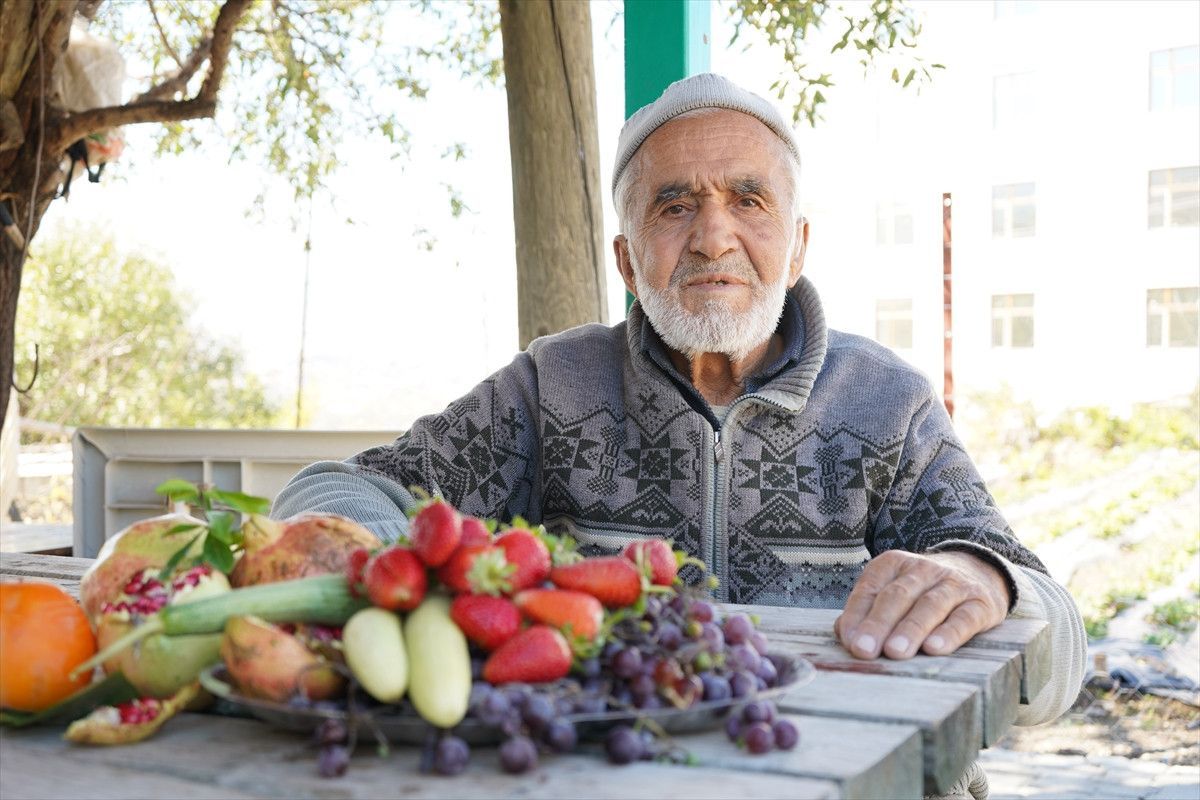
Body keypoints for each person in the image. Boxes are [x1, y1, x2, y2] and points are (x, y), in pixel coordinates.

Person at [274, 73, 1085, 734]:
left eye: (749, 199)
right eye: (674, 206)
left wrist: (982, 578)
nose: (712, 236)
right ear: (628, 262)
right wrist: (403, 587)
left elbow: (1057, 661)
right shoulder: (552, 386)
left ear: (798, 245)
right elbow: (332, 490)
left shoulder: (888, 403)